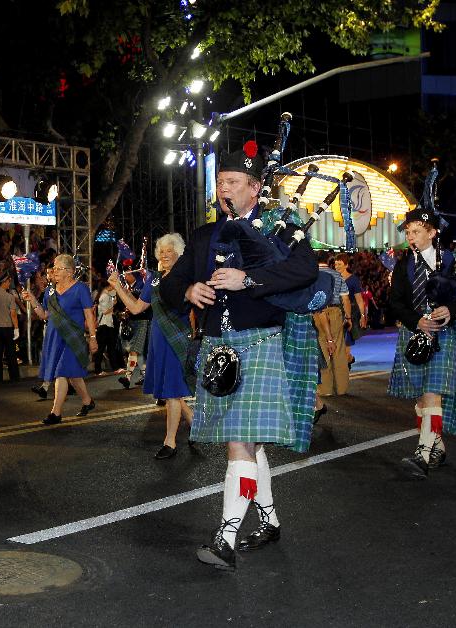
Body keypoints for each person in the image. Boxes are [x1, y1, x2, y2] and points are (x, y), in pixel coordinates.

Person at [160, 140, 319, 571]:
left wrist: (248, 279)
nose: (223, 189)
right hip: (218, 348)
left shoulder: (278, 227)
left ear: (254, 187)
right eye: (219, 182)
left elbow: (305, 268)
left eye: (231, 182)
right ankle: (268, 520)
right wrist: (189, 290)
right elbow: (168, 287)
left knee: (239, 444)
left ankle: (225, 538)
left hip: (263, 341)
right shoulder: (203, 236)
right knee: (249, 444)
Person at [387, 209, 456, 479]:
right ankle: (437, 447)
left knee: (432, 392)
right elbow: (395, 302)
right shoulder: (404, 265)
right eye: (407, 233)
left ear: (431, 233)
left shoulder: (452, 261)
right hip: (415, 332)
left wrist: (452, 309)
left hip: (444, 335)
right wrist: (416, 321)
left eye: (416, 231)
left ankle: (423, 453)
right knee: (420, 395)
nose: (410, 237)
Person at [109, 234, 194, 459]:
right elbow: (137, 308)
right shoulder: (153, 279)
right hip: (158, 339)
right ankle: (196, 424)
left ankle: (170, 442)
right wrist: (118, 286)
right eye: (162, 251)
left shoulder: (186, 278)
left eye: (169, 250)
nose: (165, 254)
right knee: (170, 389)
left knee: (173, 391)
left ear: (178, 253)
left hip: (177, 338)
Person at [21, 254, 98, 424]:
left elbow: (88, 314)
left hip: (73, 338)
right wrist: (33, 300)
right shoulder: (49, 291)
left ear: (69, 271)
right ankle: (87, 401)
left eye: (57, 268)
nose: (53, 271)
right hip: (54, 337)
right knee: (73, 375)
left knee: (62, 372)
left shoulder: (81, 288)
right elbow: (45, 315)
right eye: (54, 268)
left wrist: (93, 337)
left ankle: (55, 413)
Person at [316, 252, 352, 397]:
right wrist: (348, 317)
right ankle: (342, 388)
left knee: (323, 349)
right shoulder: (337, 275)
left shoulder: (313, 275)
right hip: (336, 311)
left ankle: (325, 390)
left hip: (317, 312)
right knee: (338, 350)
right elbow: (346, 299)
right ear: (329, 261)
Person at [117, 266, 150, 389]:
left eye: (127, 274)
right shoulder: (129, 287)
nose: (125, 276)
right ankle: (146, 376)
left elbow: (139, 305)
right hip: (131, 321)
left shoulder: (142, 284)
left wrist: (127, 293)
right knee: (137, 352)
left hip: (142, 320)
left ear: (133, 275)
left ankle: (128, 377)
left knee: (134, 350)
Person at [334, 253, 367, 367]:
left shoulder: (353, 280)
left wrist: (363, 315)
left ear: (346, 265)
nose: (337, 266)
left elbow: (359, 299)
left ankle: (347, 362)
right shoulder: (333, 278)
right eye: (335, 264)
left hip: (349, 314)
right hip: (335, 313)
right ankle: (349, 360)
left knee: (346, 343)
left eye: (340, 264)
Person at [94, 279, 125, 375]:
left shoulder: (103, 295)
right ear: (109, 286)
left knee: (107, 347)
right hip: (105, 325)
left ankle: (112, 367)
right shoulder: (105, 296)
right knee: (105, 348)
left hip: (106, 324)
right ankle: (100, 369)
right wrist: (114, 305)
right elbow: (105, 311)